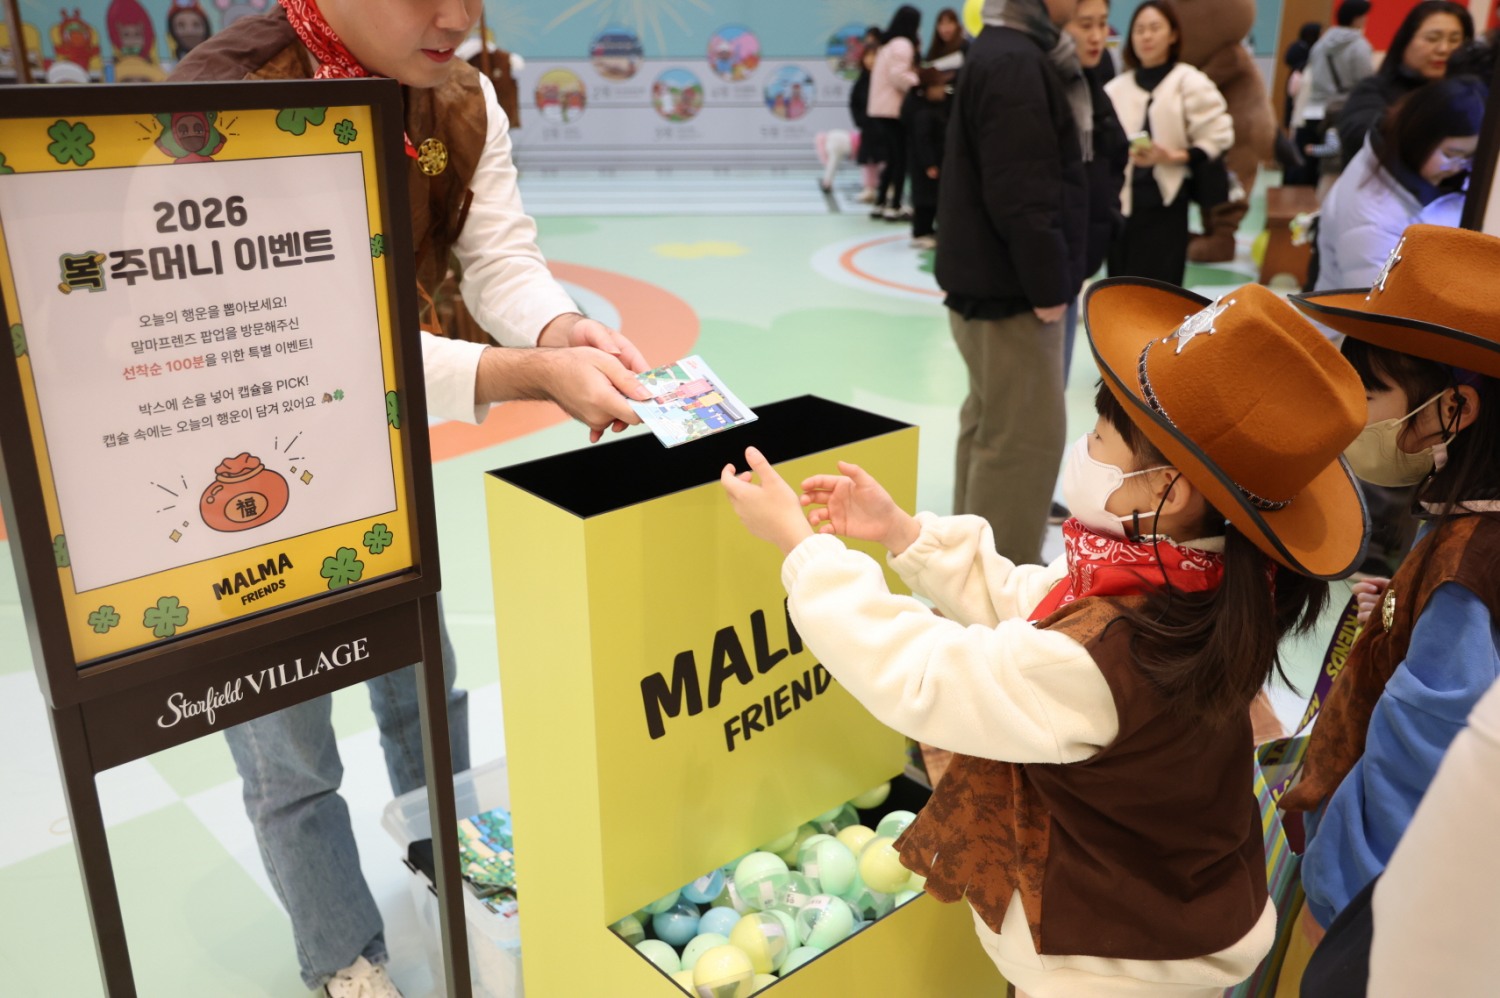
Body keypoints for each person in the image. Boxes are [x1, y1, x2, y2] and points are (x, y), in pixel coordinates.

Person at [171, 2, 653, 996]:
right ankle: (344, 948)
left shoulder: (460, 97)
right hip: (234, 472)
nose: (456, 18)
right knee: (287, 739)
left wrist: (558, 327)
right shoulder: (219, 103)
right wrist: (519, 373)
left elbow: (499, 258)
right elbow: (303, 342)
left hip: (376, 455)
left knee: (422, 676)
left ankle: (450, 851)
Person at [720, 280, 1368, 998]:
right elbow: (1047, 608)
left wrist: (800, 550)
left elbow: (925, 673)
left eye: (1099, 439)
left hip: (1107, 960)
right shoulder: (1210, 584)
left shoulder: (1104, 661)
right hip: (1185, 913)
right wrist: (907, 535)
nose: (1081, 450)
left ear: (1165, 492)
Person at [1284, 224, 1500, 942]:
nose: (1351, 413)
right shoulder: (1463, 532)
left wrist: (1334, 905)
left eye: (1368, 392)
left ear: (1455, 411)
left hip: (1366, 909)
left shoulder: (1468, 568)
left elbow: (1415, 763)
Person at [937, 0, 1088, 567]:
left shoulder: (1002, 49)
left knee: (989, 428)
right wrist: (1049, 286)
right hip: (1011, 293)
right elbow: (1023, 193)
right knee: (1022, 443)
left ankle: (962, 571)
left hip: (988, 286)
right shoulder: (1016, 62)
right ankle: (996, 591)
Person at [1313, 76, 1483, 295]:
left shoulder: (1393, 156)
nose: (1459, 167)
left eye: (1470, 157)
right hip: (1354, 326)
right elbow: (1378, 312)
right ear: (1420, 137)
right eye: (1452, 154)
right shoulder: (1372, 215)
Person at [1104, 0, 1234, 286]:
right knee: (1119, 288)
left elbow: (1218, 135)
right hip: (1121, 204)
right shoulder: (1115, 89)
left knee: (1160, 291)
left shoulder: (1189, 81)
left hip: (1167, 205)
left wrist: (1172, 156)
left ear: (1173, 34)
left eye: (1154, 28)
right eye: (1139, 30)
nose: (1146, 36)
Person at [1062, 0, 1126, 384]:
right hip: (1053, 263)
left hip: (1080, 252)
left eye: (1103, 23)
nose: (1097, 35)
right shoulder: (1047, 82)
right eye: (1086, 24)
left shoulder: (1093, 78)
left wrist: (1109, 214)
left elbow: (1112, 153)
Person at [1337, 1, 1472, 169]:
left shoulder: (1472, 96)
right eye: (1432, 38)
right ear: (1406, 41)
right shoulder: (1374, 89)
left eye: (1455, 40)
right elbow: (1359, 136)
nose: (1444, 49)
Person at [1289, 2, 1371, 187]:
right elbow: (1365, 84)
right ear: (1357, 18)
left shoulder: (1320, 45)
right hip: (1340, 113)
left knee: (1309, 165)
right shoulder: (1359, 47)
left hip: (1313, 110)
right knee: (1333, 170)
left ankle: (1301, 208)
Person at [867, 5, 921, 220]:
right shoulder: (902, 44)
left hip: (880, 108)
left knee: (891, 158)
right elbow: (898, 75)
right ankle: (895, 205)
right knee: (900, 159)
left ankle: (881, 202)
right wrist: (920, 82)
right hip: (893, 109)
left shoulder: (887, 45)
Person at [904, 67, 950, 249]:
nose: (942, 91)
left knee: (934, 199)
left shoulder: (938, 109)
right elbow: (923, 141)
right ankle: (920, 232)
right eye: (938, 87)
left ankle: (930, 230)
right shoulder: (922, 113)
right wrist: (929, 163)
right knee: (925, 200)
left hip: (937, 162)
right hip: (926, 165)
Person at [849, 27, 884, 202]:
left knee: (886, 157)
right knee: (868, 160)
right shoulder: (861, 81)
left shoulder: (884, 79)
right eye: (868, 56)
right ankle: (869, 188)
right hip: (867, 127)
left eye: (875, 56)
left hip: (884, 127)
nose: (871, 60)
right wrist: (860, 120)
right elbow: (854, 102)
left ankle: (887, 187)